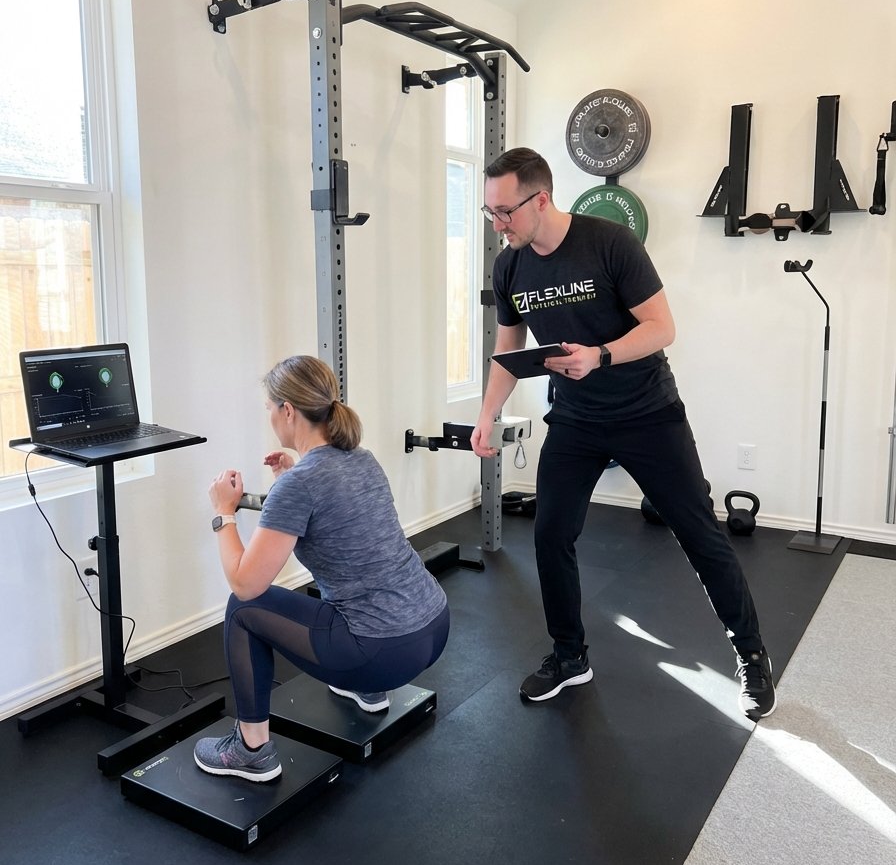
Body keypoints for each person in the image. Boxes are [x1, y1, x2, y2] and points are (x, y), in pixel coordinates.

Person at [470, 147, 775, 721]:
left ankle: (751, 656)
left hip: (648, 414)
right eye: (490, 212)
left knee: (699, 535)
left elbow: (662, 327)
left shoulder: (610, 243)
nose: (497, 224)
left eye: (504, 212)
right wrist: (487, 414)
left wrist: (601, 355)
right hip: (576, 420)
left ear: (541, 199)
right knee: (550, 535)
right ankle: (569, 656)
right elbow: (508, 350)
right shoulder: (510, 266)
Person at [194, 355, 450, 781]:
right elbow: (336, 527)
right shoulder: (361, 458)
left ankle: (251, 749)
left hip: (382, 652)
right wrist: (288, 479)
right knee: (350, 592)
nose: (269, 417)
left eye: (270, 408)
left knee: (242, 610)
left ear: (287, 411)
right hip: (433, 626)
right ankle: (368, 691)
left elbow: (245, 583)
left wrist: (224, 513)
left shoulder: (301, 484)